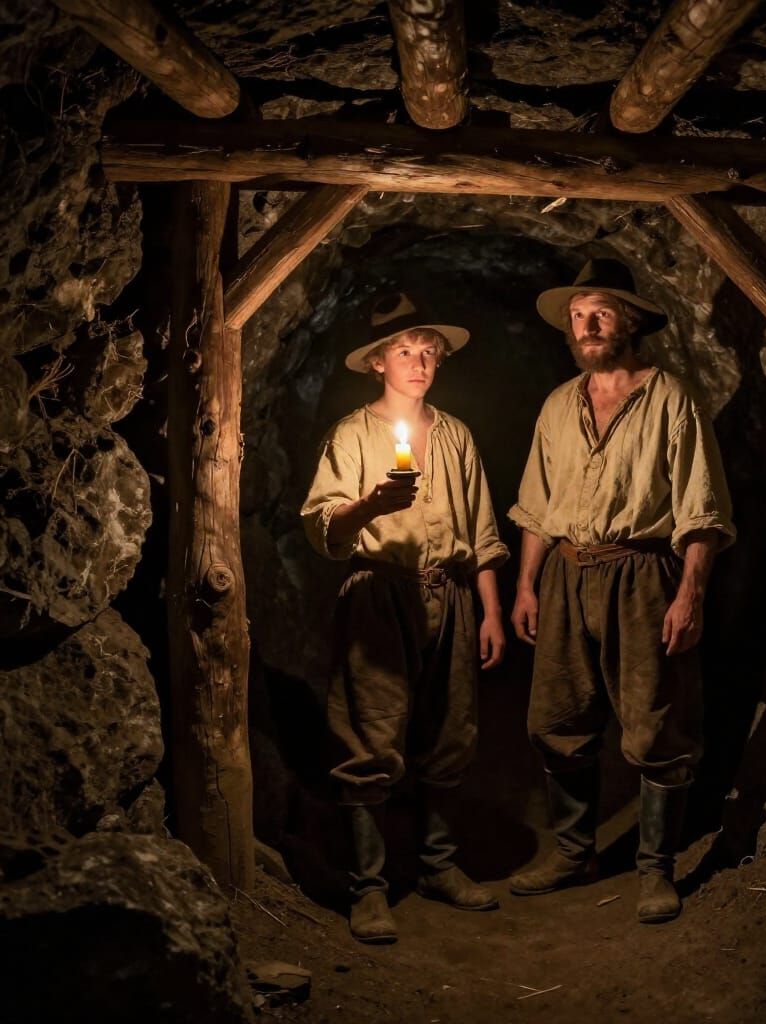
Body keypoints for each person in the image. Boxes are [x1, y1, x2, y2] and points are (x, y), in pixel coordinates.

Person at [508, 259, 736, 924]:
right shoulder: (558, 404)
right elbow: (534, 507)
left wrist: (690, 593)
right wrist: (526, 587)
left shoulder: (671, 396)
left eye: (601, 311)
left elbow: (702, 508)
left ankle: (656, 869)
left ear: (630, 320)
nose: (588, 325)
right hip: (567, 570)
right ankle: (574, 852)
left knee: (656, 722)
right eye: (578, 315)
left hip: (642, 574)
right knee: (556, 719)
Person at [301, 292, 508, 944]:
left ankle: (440, 865)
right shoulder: (353, 435)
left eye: (428, 353)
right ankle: (371, 887)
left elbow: (481, 532)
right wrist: (371, 504)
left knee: (450, 732)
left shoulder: (456, 436)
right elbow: (323, 524)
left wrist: (492, 611)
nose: (418, 363)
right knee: (371, 736)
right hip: (378, 594)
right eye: (404, 351)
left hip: (449, 594)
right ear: (378, 363)